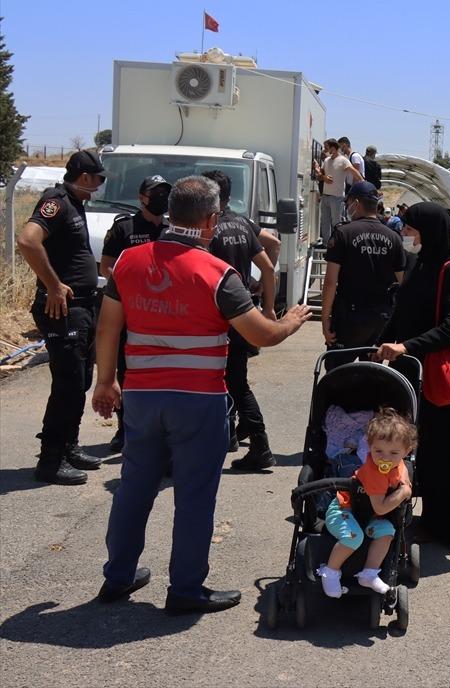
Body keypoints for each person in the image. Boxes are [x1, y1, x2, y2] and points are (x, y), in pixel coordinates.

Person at [92, 175, 310, 614]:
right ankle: (186, 589)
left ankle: (117, 577)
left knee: (134, 487)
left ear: (170, 212)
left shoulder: (129, 262)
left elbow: (107, 327)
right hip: (198, 400)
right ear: (211, 220)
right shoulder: (217, 274)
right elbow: (262, 335)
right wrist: (291, 320)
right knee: (193, 496)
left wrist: (105, 380)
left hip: (141, 398)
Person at [374, 202, 450, 551]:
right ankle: (427, 520)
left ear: (428, 231)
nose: (404, 233)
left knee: (446, 452)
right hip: (412, 373)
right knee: (420, 450)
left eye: (411, 228)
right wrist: (380, 343)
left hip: (440, 375)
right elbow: (403, 313)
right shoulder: (421, 265)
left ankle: (449, 528)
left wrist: (407, 346)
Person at [16, 150, 107, 485]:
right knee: (68, 383)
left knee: (80, 380)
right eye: (99, 178)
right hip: (62, 308)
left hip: (82, 308)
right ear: (85, 177)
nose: (100, 185)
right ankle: (50, 460)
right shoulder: (56, 201)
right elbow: (28, 241)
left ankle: (68, 446)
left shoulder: (74, 203)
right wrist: (53, 285)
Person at [202, 170, 281, 469]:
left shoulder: (208, 227)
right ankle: (233, 435)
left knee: (232, 381)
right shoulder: (242, 223)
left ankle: (259, 444)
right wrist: (268, 307)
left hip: (217, 315)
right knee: (233, 378)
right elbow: (269, 267)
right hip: (243, 312)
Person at [99, 175, 171, 454]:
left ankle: (158, 429)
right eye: (155, 193)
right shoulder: (124, 227)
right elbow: (106, 266)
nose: (161, 198)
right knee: (127, 371)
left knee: (160, 370)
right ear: (142, 197)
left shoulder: (171, 228)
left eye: (165, 193)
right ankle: (124, 428)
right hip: (131, 312)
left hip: (165, 315)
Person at [317, 407, 416, 598]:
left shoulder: (397, 463)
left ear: (406, 451)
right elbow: (381, 506)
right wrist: (404, 491)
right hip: (343, 510)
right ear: (369, 446)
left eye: (393, 453)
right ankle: (330, 571)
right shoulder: (375, 473)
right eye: (378, 451)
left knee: (387, 531)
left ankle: (369, 574)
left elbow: (402, 469)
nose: (385, 458)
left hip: (368, 514)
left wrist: (404, 481)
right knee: (353, 537)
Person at [322, 181, 407, 370]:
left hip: (348, 318)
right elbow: (402, 283)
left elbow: (330, 282)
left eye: (348, 202)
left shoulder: (343, 233)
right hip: (380, 318)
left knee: (337, 373)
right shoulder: (394, 237)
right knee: (370, 374)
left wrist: (325, 317)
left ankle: (338, 401)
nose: (347, 207)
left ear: (356, 203)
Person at [318, 138, 358, 243]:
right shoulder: (326, 161)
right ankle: (326, 244)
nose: (325, 149)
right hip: (325, 196)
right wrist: (323, 177)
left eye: (326, 147)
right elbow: (320, 176)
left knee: (336, 222)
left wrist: (363, 182)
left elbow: (354, 172)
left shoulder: (343, 160)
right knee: (325, 222)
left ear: (333, 148)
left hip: (337, 197)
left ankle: (337, 243)